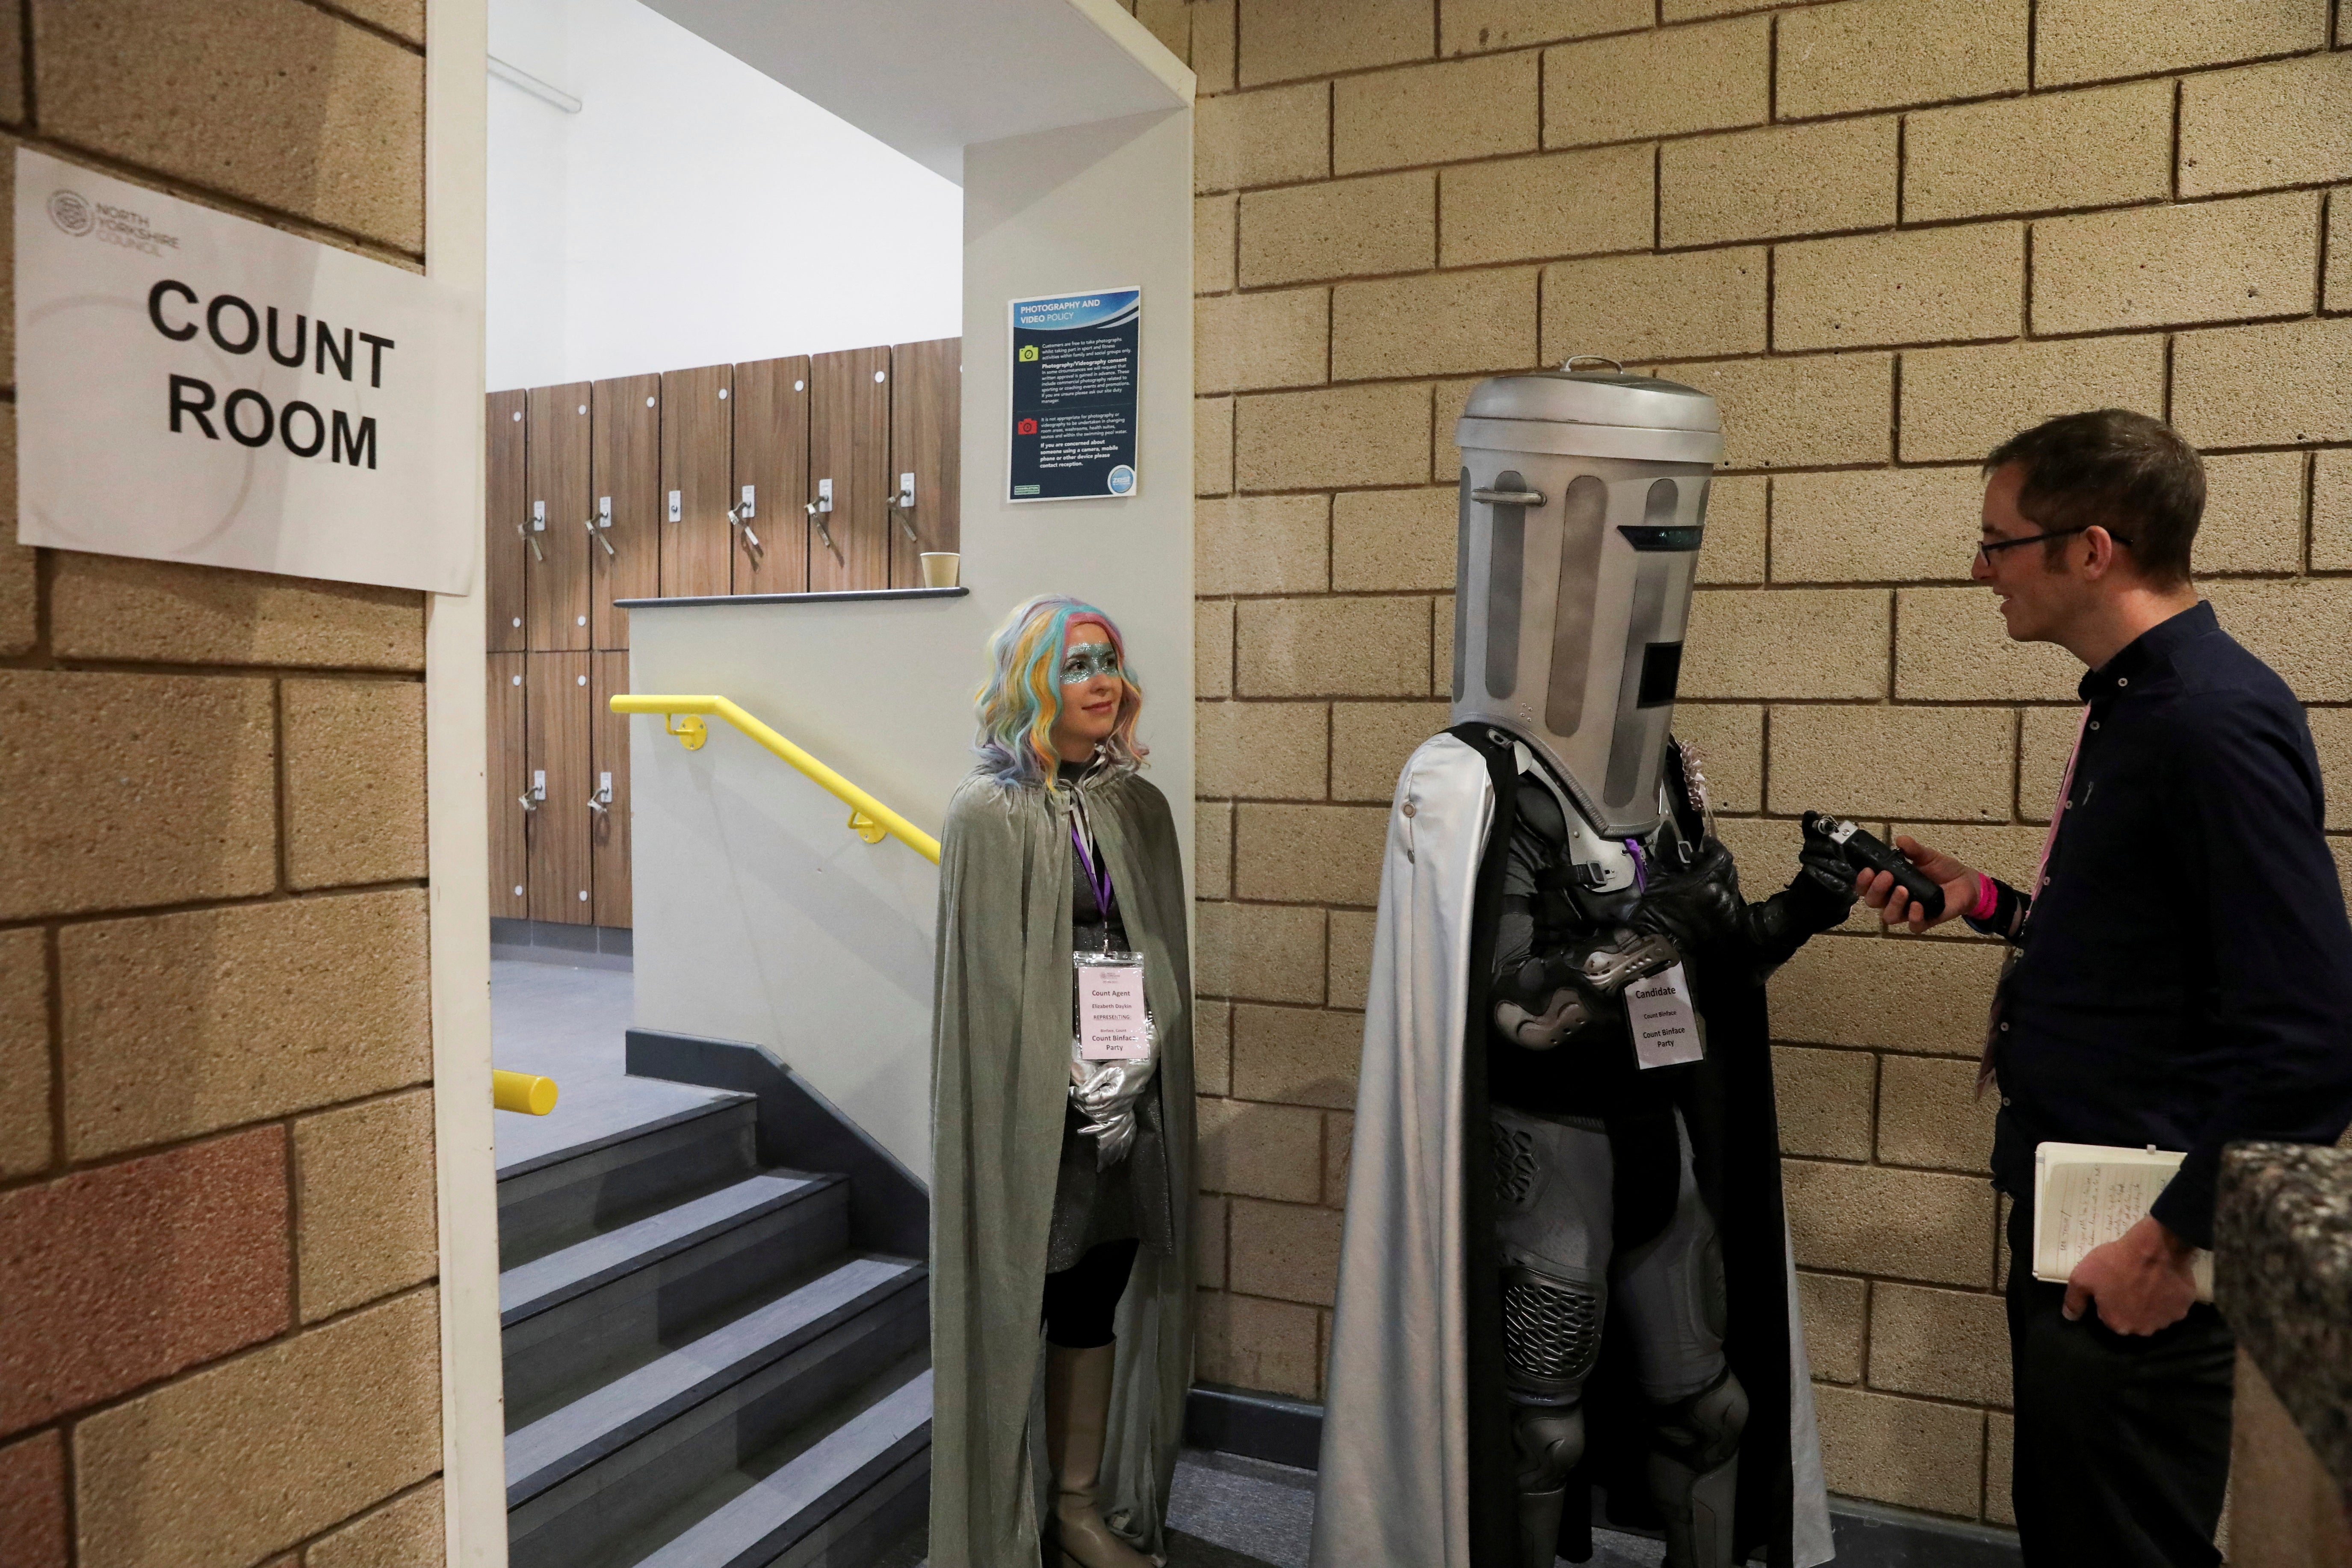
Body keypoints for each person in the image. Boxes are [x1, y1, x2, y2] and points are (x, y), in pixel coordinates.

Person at [1313, 363, 1848, 1568]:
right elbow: (1509, 1008)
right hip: (1545, 1153)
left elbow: (1711, 970)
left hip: (1656, 1138)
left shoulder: (1659, 775)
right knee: (1537, 1436)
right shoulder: (1471, 781)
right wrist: (1667, 927)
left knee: (1710, 1410)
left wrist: (1801, 907)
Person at [1855, 410, 2352, 1567]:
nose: (1981, 571)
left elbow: (2314, 1035)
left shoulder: (2209, 723)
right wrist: (1983, 902)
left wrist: (2165, 1242)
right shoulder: (2133, 702)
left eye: (1997, 542)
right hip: (2079, 1210)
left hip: (2134, 1234)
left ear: (2092, 548)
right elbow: (2152, 955)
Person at [927, 596, 1195, 1568]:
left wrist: (1141, 1057)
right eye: (1078, 662)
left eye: (1111, 662)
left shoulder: (1135, 804)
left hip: (1129, 1094)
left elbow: (1156, 949)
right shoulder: (987, 811)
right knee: (1021, 1288)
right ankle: (1004, 1508)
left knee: (1097, 1284)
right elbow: (991, 983)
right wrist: (1061, 1064)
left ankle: (1077, 1504)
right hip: (1033, 1103)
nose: (1101, 680)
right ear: (1033, 679)